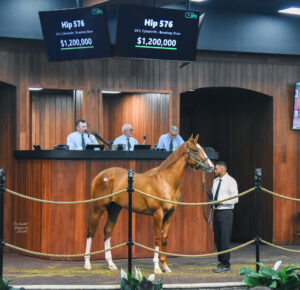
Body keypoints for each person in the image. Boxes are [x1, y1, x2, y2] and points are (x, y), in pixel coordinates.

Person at [211, 161, 238, 273]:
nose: (214, 171)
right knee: (218, 238)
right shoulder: (215, 181)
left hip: (226, 212)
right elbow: (215, 194)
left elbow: (236, 198)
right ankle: (221, 262)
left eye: (216, 169)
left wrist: (222, 202)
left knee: (224, 238)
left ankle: (226, 264)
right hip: (216, 212)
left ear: (223, 169)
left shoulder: (231, 181)